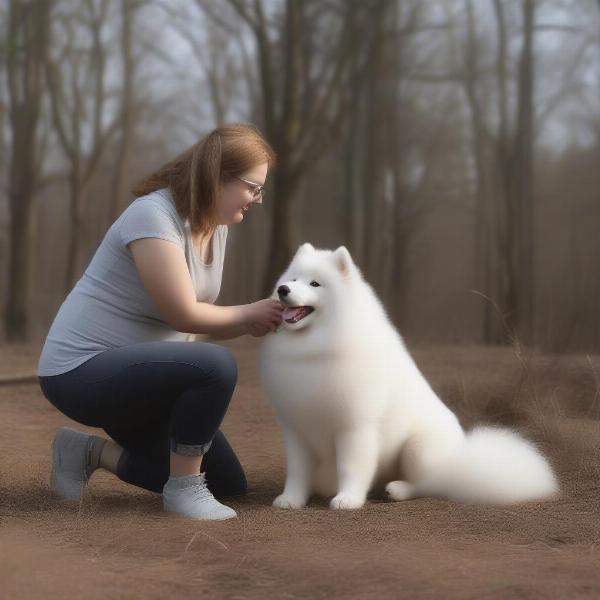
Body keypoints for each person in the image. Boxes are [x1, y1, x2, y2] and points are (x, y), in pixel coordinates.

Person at [37, 123, 283, 521]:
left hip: (145, 380)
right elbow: (181, 313)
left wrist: (251, 321)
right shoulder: (152, 216)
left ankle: (87, 452)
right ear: (218, 177)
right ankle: (184, 492)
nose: (257, 199)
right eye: (253, 188)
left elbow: (188, 326)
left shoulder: (215, 227)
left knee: (227, 484)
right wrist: (249, 311)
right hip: (81, 372)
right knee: (217, 366)